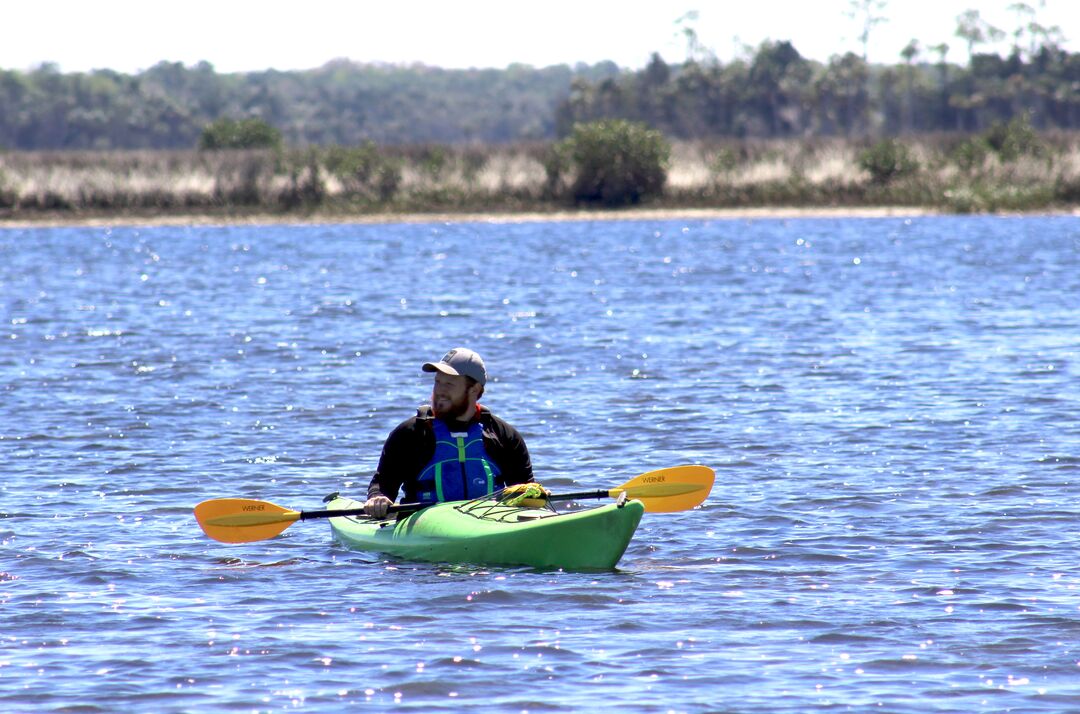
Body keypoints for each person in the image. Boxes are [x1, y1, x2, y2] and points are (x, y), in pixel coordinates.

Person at [364, 347, 534, 518]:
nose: (439, 391)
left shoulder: (502, 434)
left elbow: (524, 489)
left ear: (474, 389)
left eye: (449, 384)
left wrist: (535, 495)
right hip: (423, 526)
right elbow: (383, 484)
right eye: (437, 382)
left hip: (490, 520)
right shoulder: (410, 433)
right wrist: (377, 499)